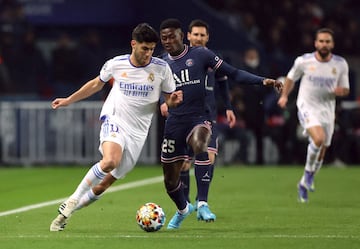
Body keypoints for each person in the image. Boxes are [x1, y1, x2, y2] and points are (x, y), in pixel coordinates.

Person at [49, 23, 183, 231]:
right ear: (133, 44)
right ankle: (73, 199)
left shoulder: (161, 68)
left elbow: (168, 102)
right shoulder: (116, 64)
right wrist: (68, 100)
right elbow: (95, 84)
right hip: (115, 119)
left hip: (138, 132)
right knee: (111, 160)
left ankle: (64, 216)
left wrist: (173, 102)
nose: (148, 53)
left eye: (151, 49)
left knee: (103, 185)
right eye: (144, 48)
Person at [159, 18, 282, 229]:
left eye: (172, 36)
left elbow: (232, 74)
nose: (168, 41)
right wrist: (163, 102)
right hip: (174, 122)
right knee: (171, 179)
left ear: (182, 36)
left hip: (201, 117)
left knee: (201, 146)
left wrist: (262, 80)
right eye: (164, 38)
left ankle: (203, 202)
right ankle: (183, 208)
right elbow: (157, 87)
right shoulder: (161, 63)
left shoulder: (202, 55)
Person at [159, 19, 236, 209]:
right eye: (196, 34)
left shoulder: (209, 58)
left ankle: (203, 201)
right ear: (188, 35)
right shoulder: (172, 59)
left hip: (206, 115)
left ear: (207, 37)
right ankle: (186, 203)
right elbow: (164, 84)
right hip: (181, 116)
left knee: (208, 157)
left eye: (202, 35)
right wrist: (163, 102)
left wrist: (228, 106)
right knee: (183, 164)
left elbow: (223, 81)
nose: (199, 38)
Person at [277, 28, 350, 203]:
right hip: (306, 105)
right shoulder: (304, 61)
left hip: (327, 109)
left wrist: (341, 91)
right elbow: (290, 78)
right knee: (318, 139)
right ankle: (309, 175)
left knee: (322, 149)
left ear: (332, 44)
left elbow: (346, 89)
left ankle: (303, 183)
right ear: (315, 43)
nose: (324, 44)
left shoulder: (340, 64)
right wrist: (285, 96)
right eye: (321, 41)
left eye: (327, 41)